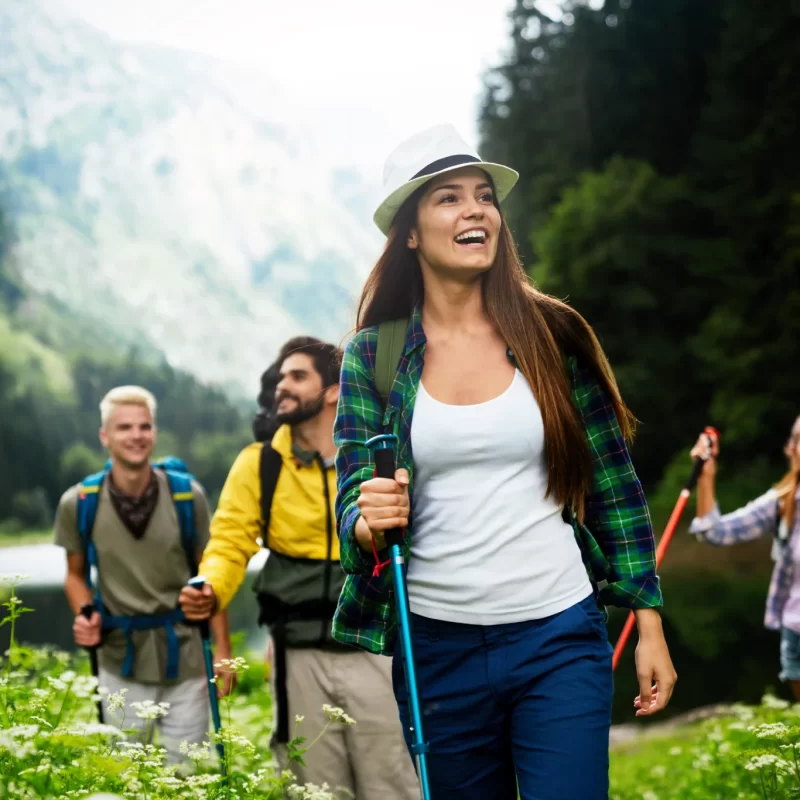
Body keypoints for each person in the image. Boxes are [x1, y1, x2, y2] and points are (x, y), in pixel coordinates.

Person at [332, 123, 678, 799]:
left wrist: (649, 624)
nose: (475, 211)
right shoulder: (371, 356)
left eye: (484, 196)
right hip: (434, 646)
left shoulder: (553, 337)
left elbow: (615, 489)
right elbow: (351, 503)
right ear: (409, 232)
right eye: (448, 198)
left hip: (557, 634)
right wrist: (366, 521)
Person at [179, 337, 418, 799]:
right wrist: (211, 587)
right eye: (280, 377)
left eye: (297, 376)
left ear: (333, 391)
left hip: (376, 646)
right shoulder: (260, 463)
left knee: (393, 780)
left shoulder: (376, 458)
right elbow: (229, 541)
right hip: (298, 650)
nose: (281, 386)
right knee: (313, 786)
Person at [54, 385, 232, 766]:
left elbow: (210, 575)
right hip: (120, 662)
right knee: (125, 774)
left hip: (186, 660)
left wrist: (223, 653)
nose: (136, 435)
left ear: (154, 432)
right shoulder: (79, 503)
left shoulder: (188, 497)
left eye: (144, 426)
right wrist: (85, 614)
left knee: (187, 777)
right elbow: (74, 575)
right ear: (105, 436)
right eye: (124, 428)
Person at [689, 417, 800, 698]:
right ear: (792, 449)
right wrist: (706, 476)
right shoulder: (783, 501)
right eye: (797, 439)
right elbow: (714, 531)